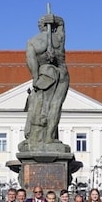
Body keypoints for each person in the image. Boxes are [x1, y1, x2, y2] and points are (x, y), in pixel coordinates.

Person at [21, 11, 69, 148]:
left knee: (43, 105)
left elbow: (31, 61)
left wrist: (36, 78)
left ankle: (42, 137)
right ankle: (49, 137)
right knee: (56, 105)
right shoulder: (58, 39)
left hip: (45, 74)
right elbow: (62, 24)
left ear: (39, 26)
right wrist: (56, 19)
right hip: (62, 73)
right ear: (51, 25)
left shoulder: (33, 42)